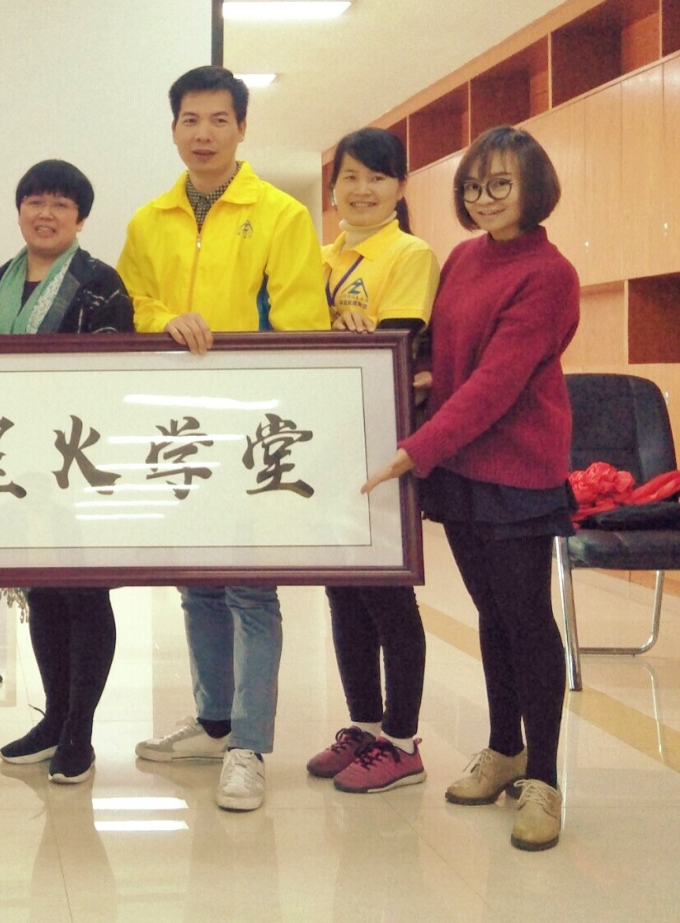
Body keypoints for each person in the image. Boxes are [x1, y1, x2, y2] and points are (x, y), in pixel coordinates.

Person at [117, 65, 330, 811]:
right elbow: (130, 301)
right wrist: (162, 321)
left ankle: (249, 744)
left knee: (249, 585)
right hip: (175, 425)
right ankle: (213, 723)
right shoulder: (148, 220)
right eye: (189, 119)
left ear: (241, 128)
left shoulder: (280, 216)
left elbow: (301, 324)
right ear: (173, 127)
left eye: (217, 120)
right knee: (196, 579)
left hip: (250, 426)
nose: (202, 134)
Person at [363, 125, 578, 851]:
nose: (483, 198)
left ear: (532, 187)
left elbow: (495, 382)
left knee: (527, 620)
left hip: (516, 471)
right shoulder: (461, 257)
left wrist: (414, 449)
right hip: (461, 468)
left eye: (499, 185)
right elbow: (445, 354)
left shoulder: (548, 274)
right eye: (473, 186)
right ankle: (503, 748)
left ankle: (543, 779)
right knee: (491, 615)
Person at [0, 159, 133, 784]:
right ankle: (54, 717)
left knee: (85, 590)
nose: (46, 213)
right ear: (19, 211)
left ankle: (80, 730)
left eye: (61, 205)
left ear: (80, 219)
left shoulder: (100, 284)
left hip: (77, 458)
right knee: (41, 587)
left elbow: (114, 374)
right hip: (13, 462)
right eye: (35, 201)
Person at [308, 128, 440, 793]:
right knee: (342, 588)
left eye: (377, 177)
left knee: (387, 592)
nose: (361, 190)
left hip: (382, 446)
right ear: (333, 188)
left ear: (400, 187)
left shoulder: (409, 253)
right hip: (326, 441)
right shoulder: (319, 256)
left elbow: (395, 344)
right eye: (350, 177)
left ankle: (402, 740)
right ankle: (363, 726)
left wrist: (340, 335)